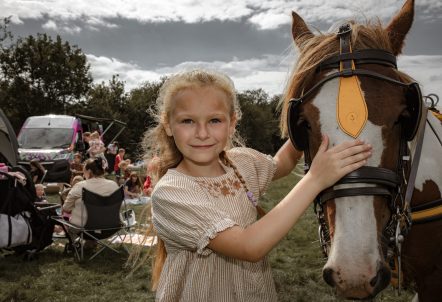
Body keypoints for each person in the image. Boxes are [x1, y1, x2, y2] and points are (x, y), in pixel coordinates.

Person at [128, 69, 372, 301]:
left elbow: (282, 162)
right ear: (168, 125)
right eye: (188, 121)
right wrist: (316, 179)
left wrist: (305, 121)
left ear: (232, 123)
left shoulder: (241, 162)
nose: (202, 133)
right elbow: (248, 246)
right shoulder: (172, 193)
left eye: (214, 120)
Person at [62, 158, 119, 228]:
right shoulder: (113, 184)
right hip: (111, 226)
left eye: (84, 171)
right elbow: (119, 205)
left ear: (89, 171)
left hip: (86, 229)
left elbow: (66, 208)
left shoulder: (80, 186)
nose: (83, 174)